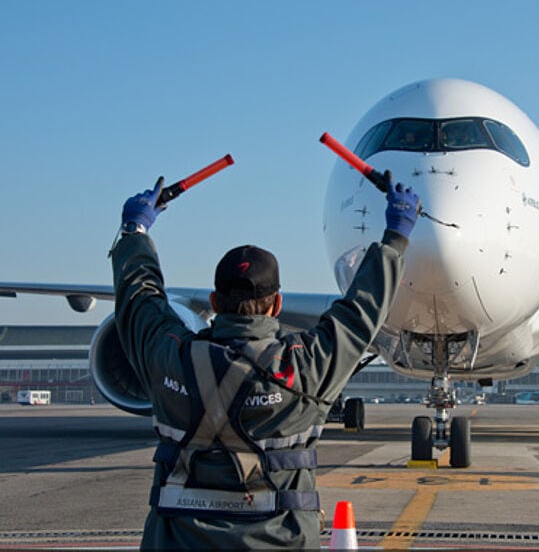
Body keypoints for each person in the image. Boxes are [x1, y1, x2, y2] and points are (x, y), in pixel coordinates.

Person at [111, 176, 419, 550]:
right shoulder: (305, 366)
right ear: (276, 305)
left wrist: (135, 231)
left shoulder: (169, 356)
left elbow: (139, 298)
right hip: (280, 541)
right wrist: (395, 237)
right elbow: (361, 312)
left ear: (214, 300)